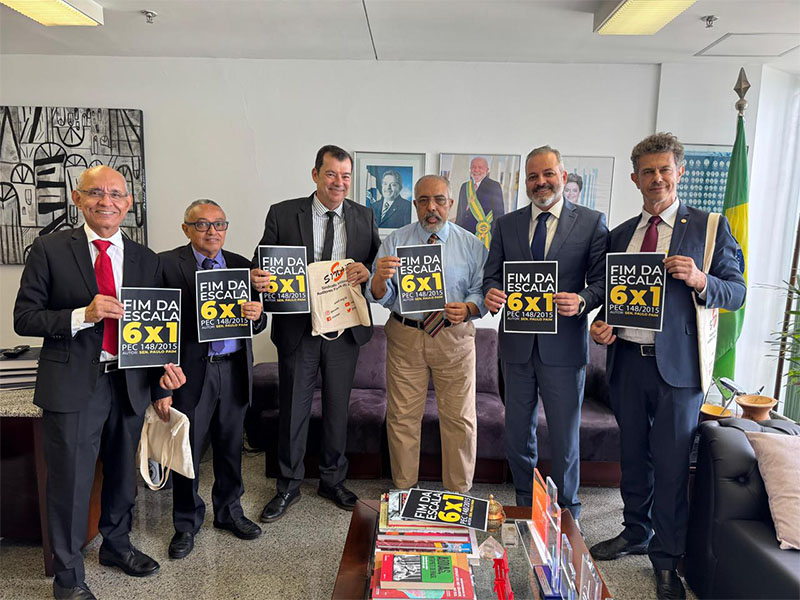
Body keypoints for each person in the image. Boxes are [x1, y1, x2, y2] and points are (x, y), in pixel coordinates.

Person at [14, 166, 186, 600]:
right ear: (78, 199)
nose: (105, 201)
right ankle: (68, 576)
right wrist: (82, 315)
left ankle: (116, 545)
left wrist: (163, 383)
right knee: (70, 482)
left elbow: (157, 326)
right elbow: (24, 318)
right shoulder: (50, 249)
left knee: (123, 475)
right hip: (74, 385)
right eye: (95, 193)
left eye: (115, 194)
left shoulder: (146, 258)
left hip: (128, 384)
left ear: (128, 203)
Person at [588, 133, 745, 600]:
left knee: (673, 465)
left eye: (664, 170)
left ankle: (666, 560)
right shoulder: (620, 235)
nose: (656, 179)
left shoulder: (709, 227)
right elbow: (614, 298)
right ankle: (636, 531)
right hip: (627, 366)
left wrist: (700, 279)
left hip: (680, 371)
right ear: (635, 179)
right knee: (633, 458)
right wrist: (602, 325)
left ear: (680, 172)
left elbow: (737, 292)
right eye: (647, 172)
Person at [250, 145, 381, 521]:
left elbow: (375, 261)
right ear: (315, 175)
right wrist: (259, 276)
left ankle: (332, 480)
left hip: (343, 329)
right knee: (294, 409)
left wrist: (368, 271)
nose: (339, 182)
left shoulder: (363, 215)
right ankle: (288, 485)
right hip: (298, 329)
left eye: (345, 176)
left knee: (338, 409)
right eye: (331, 174)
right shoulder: (282, 213)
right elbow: (262, 260)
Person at [482, 146, 607, 518]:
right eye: (533, 176)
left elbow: (602, 282)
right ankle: (526, 506)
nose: (541, 182)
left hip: (564, 349)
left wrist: (581, 300)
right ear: (525, 182)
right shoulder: (506, 225)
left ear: (563, 176)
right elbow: (492, 275)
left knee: (565, 438)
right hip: (516, 349)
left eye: (548, 174)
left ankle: (567, 511)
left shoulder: (591, 222)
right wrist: (492, 292)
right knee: (518, 435)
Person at [158, 199, 267, 560]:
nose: (212, 231)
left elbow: (258, 322)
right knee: (187, 450)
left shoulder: (241, 266)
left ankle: (229, 512)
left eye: (219, 224)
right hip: (190, 373)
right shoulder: (166, 265)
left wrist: (256, 314)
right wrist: (160, 381)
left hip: (233, 368)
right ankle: (186, 523)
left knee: (231, 445)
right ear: (186, 229)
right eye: (202, 224)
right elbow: (156, 323)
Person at [368, 175, 488, 493]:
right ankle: (404, 491)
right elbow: (380, 295)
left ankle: (458, 495)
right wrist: (378, 279)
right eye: (423, 201)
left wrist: (469, 308)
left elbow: (481, 290)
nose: (431, 207)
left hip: (454, 337)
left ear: (451, 204)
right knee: (402, 417)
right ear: (415, 205)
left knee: (460, 419)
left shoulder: (472, 245)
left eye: (438, 200)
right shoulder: (395, 241)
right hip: (406, 336)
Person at [455, 156, 505, 248]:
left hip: (484, 234)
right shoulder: (464, 186)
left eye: (480, 167)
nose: (476, 170)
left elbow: (499, 214)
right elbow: (460, 212)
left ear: (487, 170)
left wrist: (496, 237)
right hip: (465, 235)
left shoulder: (494, 186)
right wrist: (457, 232)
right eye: (473, 167)